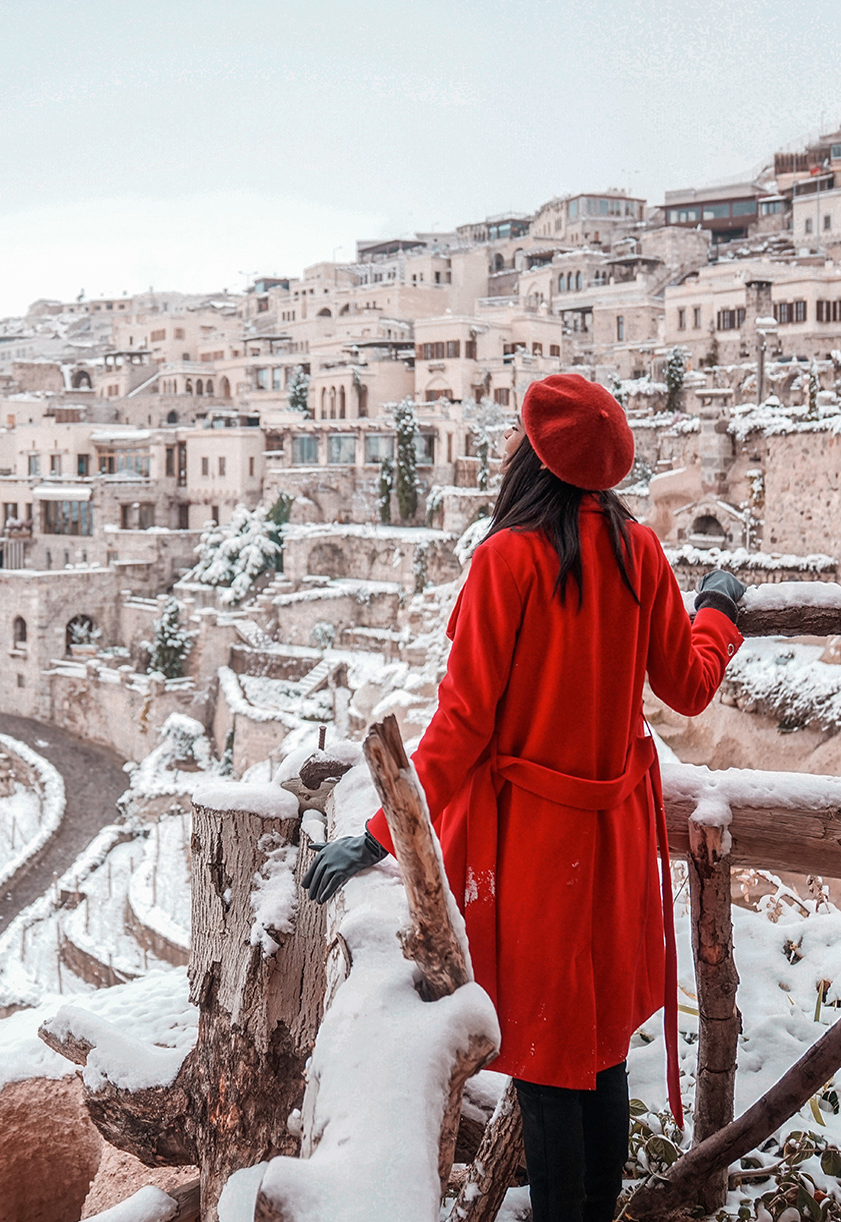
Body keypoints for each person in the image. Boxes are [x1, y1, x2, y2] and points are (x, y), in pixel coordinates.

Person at [302, 374, 745, 1222]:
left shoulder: (505, 560)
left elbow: (460, 729)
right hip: (613, 840)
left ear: (535, 457)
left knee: (547, 1061)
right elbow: (688, 687)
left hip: (536, 852)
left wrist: (377, 835)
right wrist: (719, 614)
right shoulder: (640, 550)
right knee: (603, 1054)